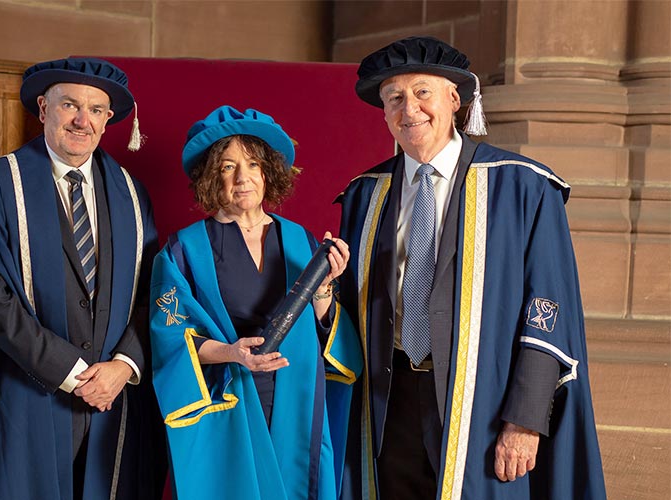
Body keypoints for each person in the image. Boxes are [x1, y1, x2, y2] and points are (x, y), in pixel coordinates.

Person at [336, 37, 606, 499]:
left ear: (455, 101)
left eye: (423, 92)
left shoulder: (522, 186)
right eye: (395, 98)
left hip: (484, 402)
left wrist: (524, 418)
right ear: (383, 112)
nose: (410, 109)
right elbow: (350, 306)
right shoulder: (366, 194)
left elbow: (549, 306)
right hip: (387, 403)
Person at [0, 57, 165, 500]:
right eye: (70, 105)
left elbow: (155, 292)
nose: (83, 120)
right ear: (44, 109)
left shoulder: (130, 191)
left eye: (96, 110)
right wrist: (74, 373)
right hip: (30, 392)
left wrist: (123, 367)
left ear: (108, 121)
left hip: (113, 398)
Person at [149, 105, 363, 499]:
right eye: (228, 167)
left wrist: (324, 288)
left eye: (252, 164)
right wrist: (233, 353)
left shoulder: (303, 242)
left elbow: (325, 325)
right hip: (231, 395)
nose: (243, 178)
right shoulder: (185, 250)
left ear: (269, 172)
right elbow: (171, 339)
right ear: (213, 177)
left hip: (295, 392)